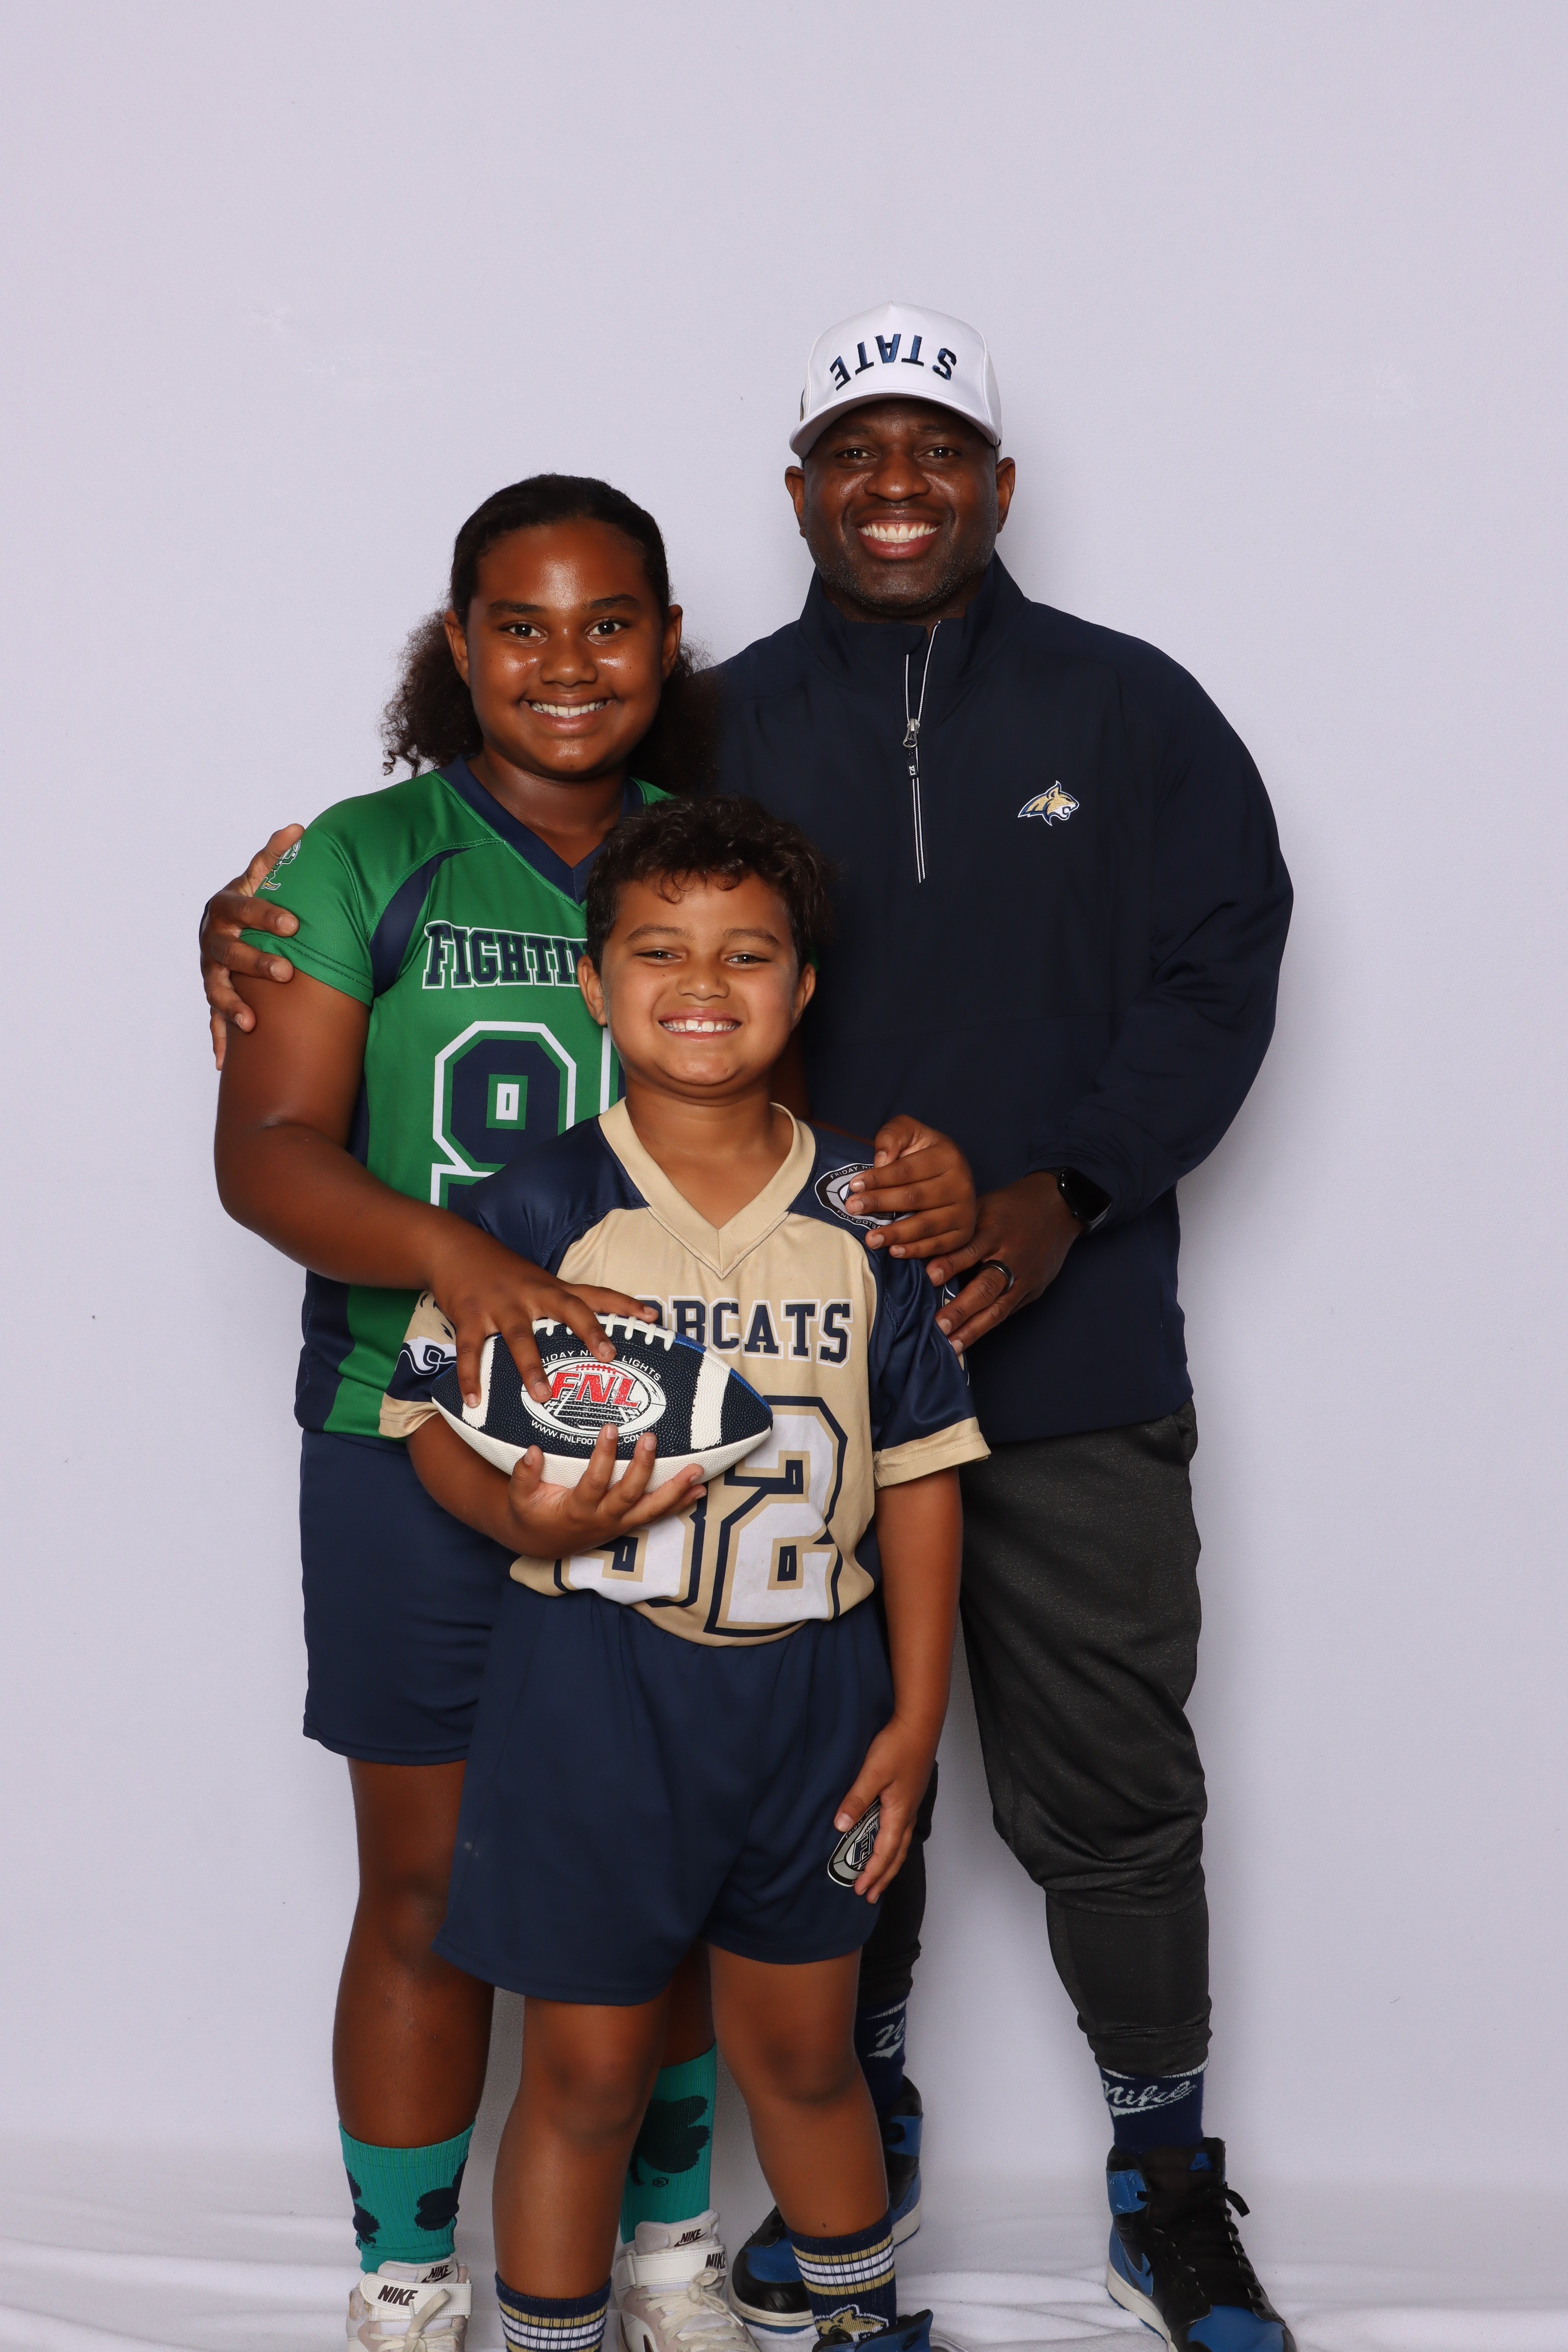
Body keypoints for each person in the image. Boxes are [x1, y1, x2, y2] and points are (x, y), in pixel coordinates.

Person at [204, 299, 1298, 2352]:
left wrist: (1060, 1187)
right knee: (626, 1845)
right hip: (598, 1397)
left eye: (937, 446)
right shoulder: (586, 779)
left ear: (998, 480)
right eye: (852, 450)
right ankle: (589, 2231)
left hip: (924, 1384)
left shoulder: (1060, 721)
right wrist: (252, 936)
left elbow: (1216, 966)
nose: (897, 484)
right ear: (793, 491)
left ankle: (1058, 2197)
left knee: (996, 1811)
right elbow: (364, 1046)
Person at [211, 473, 973, 2351]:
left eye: (610, 621)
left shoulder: (705, 859)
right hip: (414, 1423)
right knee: (424, 1880)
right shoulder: (361, 856)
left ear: (668, 642)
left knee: (671, 1874)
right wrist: (465, 1266)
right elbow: (267, 1151)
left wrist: (933, 1169)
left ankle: (667, 2258)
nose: (568, 662)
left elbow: (816, 1138)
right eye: (522, 625)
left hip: (690, 1463)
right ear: (457, 643)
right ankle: (408, 2275)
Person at [379, 793, 987, 2352]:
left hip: (813, 1695)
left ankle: (859, 2329)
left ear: (802, 986)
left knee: (806, 2060)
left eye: (746, 952)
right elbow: (428, 1422)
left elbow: (923, 1478)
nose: (702, 981)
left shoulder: (868, 1215)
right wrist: (517, 1520)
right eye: (658, 950)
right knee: (586, 2073)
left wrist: (918, 1717)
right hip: (594, 1690)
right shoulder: (537, 1207)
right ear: (595, 982)